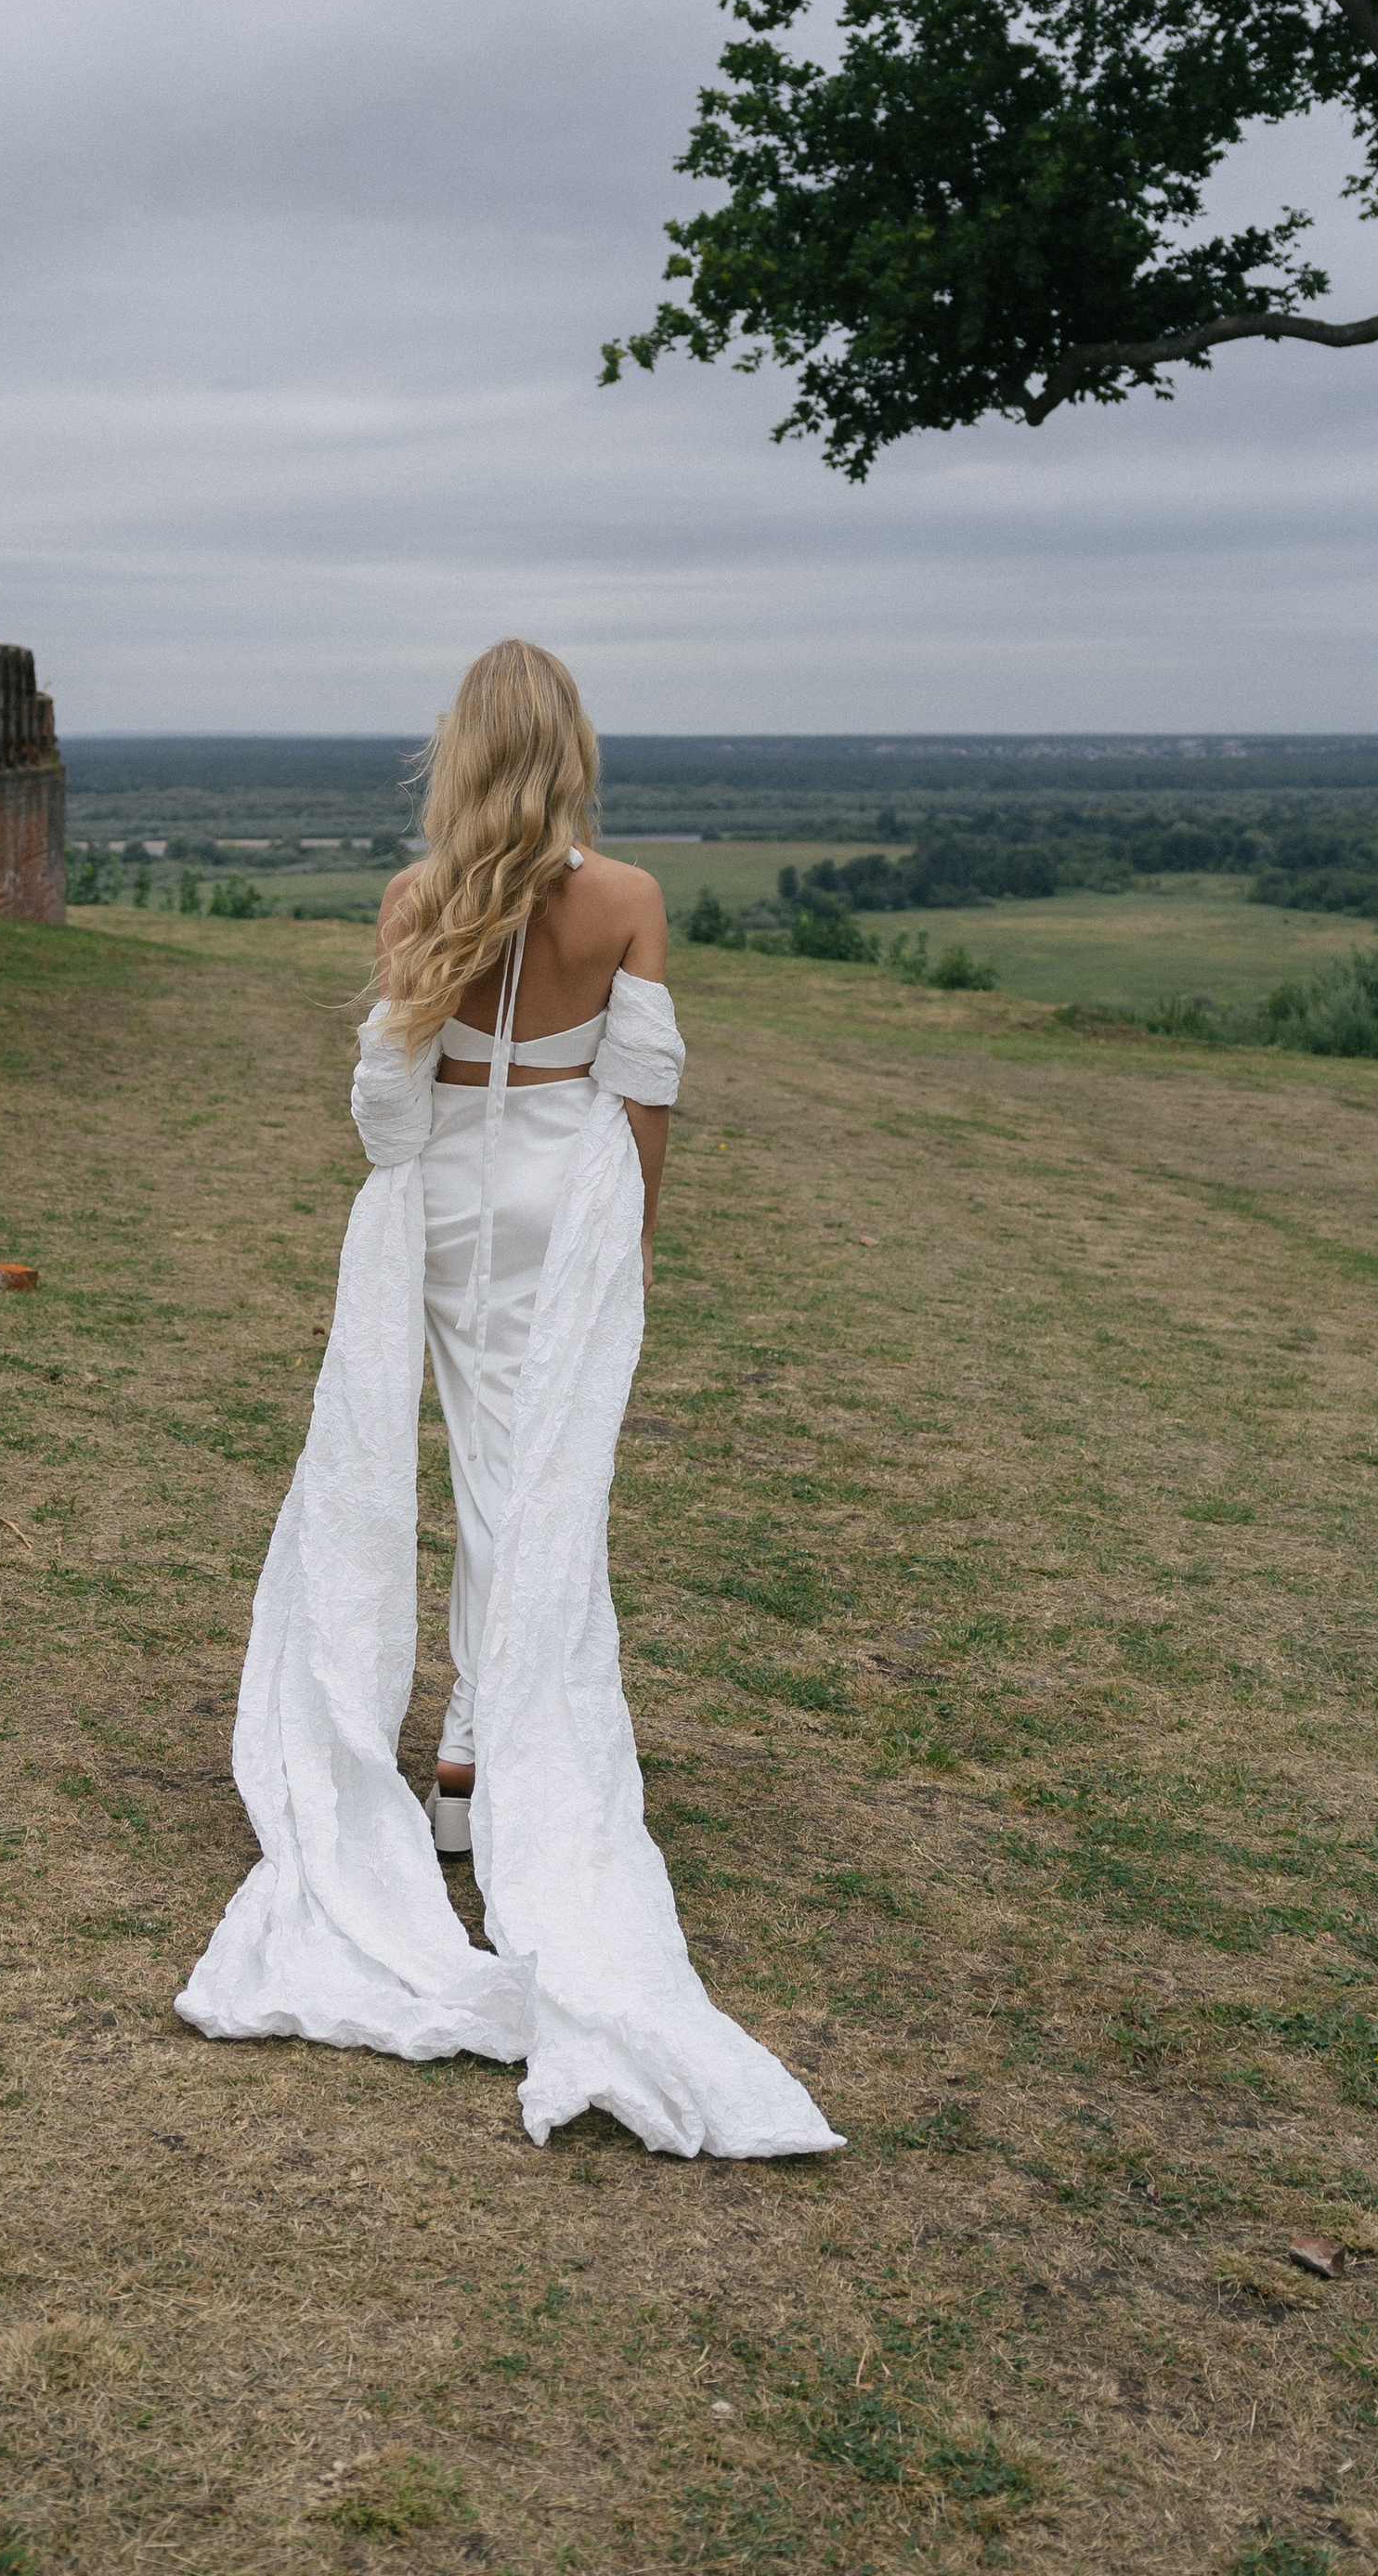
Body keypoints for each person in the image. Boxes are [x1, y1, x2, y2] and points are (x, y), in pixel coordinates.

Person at [176, 641, 839, 2160]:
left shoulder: (419, 903)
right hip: (567, 1203)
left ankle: (471, 1743)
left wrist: (425, 1173)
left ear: (462, 751)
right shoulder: (628, 901)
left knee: (480, 1467)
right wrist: (633, 1242)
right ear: (575, 747)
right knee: (541, 1476)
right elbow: (645, 1089)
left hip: (455, 1213)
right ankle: (482, 1737)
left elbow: (386, 1111)